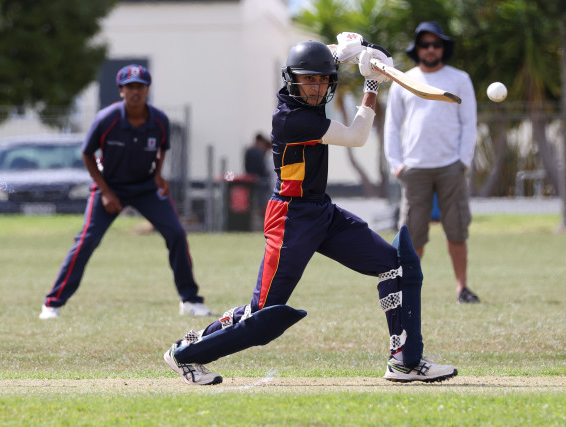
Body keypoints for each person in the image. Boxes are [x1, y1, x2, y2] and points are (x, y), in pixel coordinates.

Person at [163, 35, 458, 385]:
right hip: (290, 218)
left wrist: (351, 49)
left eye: (322, 80)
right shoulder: (292, 119)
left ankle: (405, 360)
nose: (316, 88)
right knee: (263, 315)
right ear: (292, 79)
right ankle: (186, 352)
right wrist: (371, 84)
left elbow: (321, 58)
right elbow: (356, 136)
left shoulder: (305, 91)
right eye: (309, 80)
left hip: (321, 211)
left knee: (395, 265)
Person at [39, 64, 214, 319]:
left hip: (146, 187)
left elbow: (162, 149)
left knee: (176, 233)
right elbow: (87, 154)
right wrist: (105, 191)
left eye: (140, 87)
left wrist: (158, 175)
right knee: (87, 240)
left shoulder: (159, 120)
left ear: (147, 90)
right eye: (130, 87)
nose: (135, 92)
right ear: (121, 91)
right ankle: (52, 303)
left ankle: (190, 300)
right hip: (109, 186)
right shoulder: (106, 119)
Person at [384, 22, 480, 304]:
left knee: (456, 230)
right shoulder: (404, 80)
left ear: (443, 48)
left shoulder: (459, 78)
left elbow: (469, 122)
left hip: (451, 165)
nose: (430, 49)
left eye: (435, 44)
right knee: (412, 235)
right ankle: (407, 291)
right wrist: (396, 163)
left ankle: (462, 288)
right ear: (417, 49)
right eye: (425, 44)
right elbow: (392, 125)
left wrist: (463, 160)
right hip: (414, 167)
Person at [244, 132, 273, 219]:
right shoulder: (260, 152)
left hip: (251, 179)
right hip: (262, 179)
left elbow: (246, 165)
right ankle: (263, 217)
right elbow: (262, 167)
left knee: (253, 201)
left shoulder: (249, 150)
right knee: (263, 201)